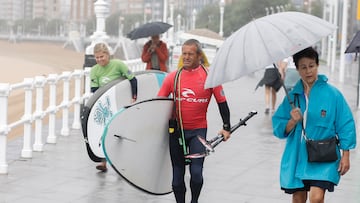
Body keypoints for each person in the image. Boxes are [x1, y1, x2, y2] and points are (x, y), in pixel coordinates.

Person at [272, 47, 356, 203]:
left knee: (316, 198)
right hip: (297, 155)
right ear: (297, 69)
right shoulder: (292, 97)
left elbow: (346, 124)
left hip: (323, 156)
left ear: (317, 66)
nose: (308, 71)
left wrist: (346, 155)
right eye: (303, 67)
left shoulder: (333, 94)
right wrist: (292, 121)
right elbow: (278, 128)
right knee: (298, 199)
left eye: (311, 66)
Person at [157, 39, 231, 203]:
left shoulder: (210, 77)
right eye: (184, 53)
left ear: (199, 55)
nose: (186, 57)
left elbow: (222, 103)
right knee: (177, 177)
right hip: (176, 132)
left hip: (198, 132)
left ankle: (194, 201)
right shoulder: (173, 78)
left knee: (196, 174)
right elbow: (158, 104)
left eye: (190, 54)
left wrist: (227, 127)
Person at [90, 42, 138, 172]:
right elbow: (94, 90)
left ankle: (120, 163)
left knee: (120, 132)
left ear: (108, 54)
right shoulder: (94, 70)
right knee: (104, 132)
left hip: (120, 102)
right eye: (97, 57)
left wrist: (134, 96)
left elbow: (133, 79)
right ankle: (103, 162)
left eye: (102, 56)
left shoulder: (118, 64)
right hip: (105, 106)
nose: (100, 60)